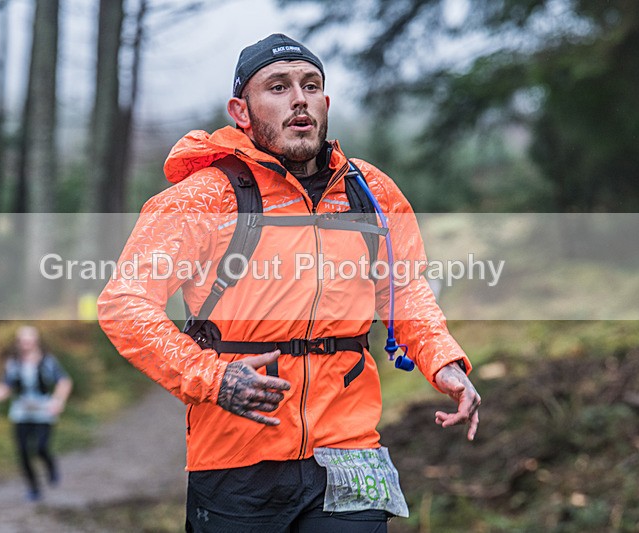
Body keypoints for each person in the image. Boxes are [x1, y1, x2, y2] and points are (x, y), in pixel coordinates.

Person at [98, 34, 480, 532]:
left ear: (325, 103)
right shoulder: (204, 198)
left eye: (310, 85)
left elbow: (403, 290)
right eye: (277, 87)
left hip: (349, 450)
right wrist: (213, 378)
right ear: (241, 110)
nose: (299, 98)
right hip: (237, 458)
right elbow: (125, 305)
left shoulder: (371, 192)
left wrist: (443, 360)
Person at [0, 325, 73, 502]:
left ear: (36, 342)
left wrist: (58, 401)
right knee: (23, 452)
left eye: (29, 341)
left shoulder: (48, 361)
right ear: (18, 343)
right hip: (21, 412)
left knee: (41, 447)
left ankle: (50, 466)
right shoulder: (13, 363)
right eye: (23, 341)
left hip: (43, 412)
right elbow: (4, 388)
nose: (26, 345)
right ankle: (33, 488)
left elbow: (64, 381)